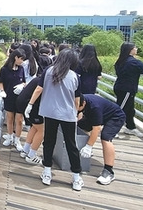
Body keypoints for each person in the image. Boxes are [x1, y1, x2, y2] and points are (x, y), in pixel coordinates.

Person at [26, 49, 83, 191]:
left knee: (49, 142)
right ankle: (76, 177)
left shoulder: (49, 71)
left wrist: (30, 104)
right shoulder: (74, 76)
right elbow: (77, 100)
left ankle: (47, 172)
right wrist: (76, 114)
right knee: (71, 144)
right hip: (68, 115)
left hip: (49, 112)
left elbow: (39, 89)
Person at [76, 94, 125, 185]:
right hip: (98, 115)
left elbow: (97, 128)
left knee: (106, 137)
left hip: (115, 117)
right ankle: (85, 147)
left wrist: (89, 146)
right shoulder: (79, 100)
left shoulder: (95, 107)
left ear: (83, 103)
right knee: (80, 125)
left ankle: (109, 171)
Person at [113, 42, 143, 137]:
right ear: (130, 50)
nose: (136, 49)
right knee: (121, 109)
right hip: (127, 89)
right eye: (135, 47)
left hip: (120, 87)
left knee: (129, 110)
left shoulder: (120, 61)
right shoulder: (135, 62)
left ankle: (131, 127)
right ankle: (112, 129)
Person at [0, 48, 26, 152]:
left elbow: (24, 81)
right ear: (15, 57)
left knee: (19, 120)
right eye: (21, 59)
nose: (22, 61)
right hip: (9, 97)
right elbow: (1, 82)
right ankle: (10, 137)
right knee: (9, 118)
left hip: (19, 98)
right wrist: (2, 91)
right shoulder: (4, 69)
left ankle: (17, 140)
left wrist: (21, 86)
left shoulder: (21, 69)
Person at [16, 76, 44, 164]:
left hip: (21, 102)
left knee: (35, 127)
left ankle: (25, 150)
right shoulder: (45, 81)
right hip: (30, 104)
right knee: (42, 130)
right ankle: (31, 155)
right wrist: (30, 104)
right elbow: (39, 90)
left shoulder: (38, 78)